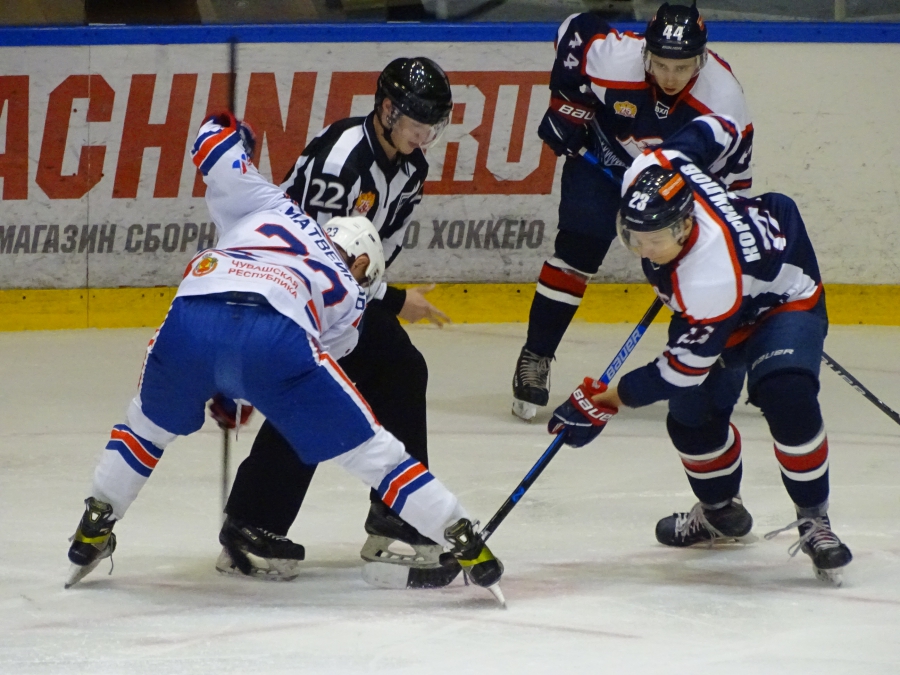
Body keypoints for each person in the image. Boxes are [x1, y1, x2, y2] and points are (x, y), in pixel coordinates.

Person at [65, 112, 504, 604]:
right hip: (275, 334)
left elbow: (211, 145)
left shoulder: (269, 203)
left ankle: (96, 520)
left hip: (191, 313)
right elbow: (307, 375)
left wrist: (236, 132)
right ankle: (460, 534)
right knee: (374, 453)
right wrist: (247, 384)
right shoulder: (349, 293)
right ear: (361, 262)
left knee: (143, 430)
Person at [547, 115, 853, 584]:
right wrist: (731, 186)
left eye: (655, 240)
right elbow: (722, 126)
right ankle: (720, 514)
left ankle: (815, 520)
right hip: (719, 298)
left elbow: (681, 371)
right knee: (691, 419)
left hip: (780, 297)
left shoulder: (709, 276)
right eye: (634, 237)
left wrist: (608, 400)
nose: (644, 250)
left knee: (787, 394)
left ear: (685, 225)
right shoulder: (655, 166)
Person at [214, 57, 459, 589]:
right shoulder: (342, 159)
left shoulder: (411, 168)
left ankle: (395, 510)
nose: (425, 135)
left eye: (432, 125)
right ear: (387, 110)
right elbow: (322, 259)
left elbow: (374, 250)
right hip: (282, 289)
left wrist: (381, 296)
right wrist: (394, 300)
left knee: (397, 368)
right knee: (315, 388)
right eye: (417, 122)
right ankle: (252, 522)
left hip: (334, 296)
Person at [512, 2, 753, 422]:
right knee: (577, 252)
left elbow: (733, 183)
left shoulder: (723, 99)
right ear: (645, 53)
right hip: (604, 162)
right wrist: (566, 107)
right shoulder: (618, 58)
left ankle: (731, 364)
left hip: (669, 191)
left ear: (701, 59)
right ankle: (536, 355)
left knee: (700, 271)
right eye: (660, 64)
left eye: (682, 67)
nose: (670, 77)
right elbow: (574, 30)